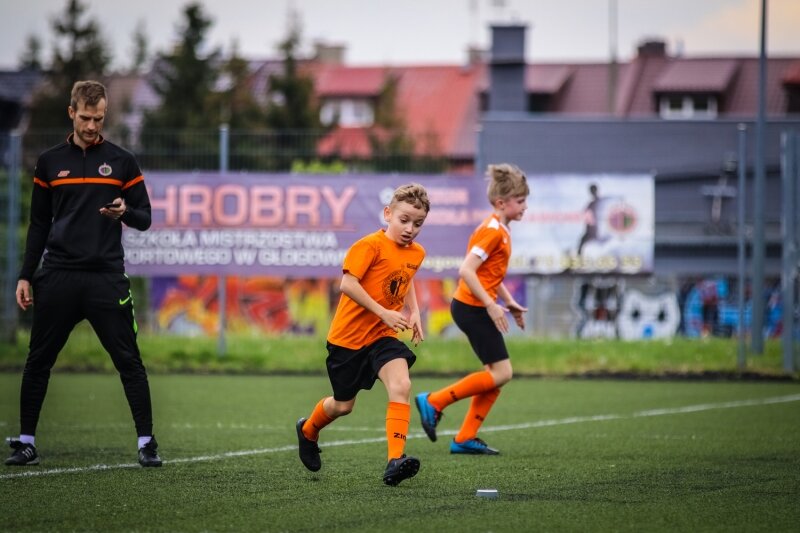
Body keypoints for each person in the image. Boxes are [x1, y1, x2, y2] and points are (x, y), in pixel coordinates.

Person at [5, 80, 162, 467]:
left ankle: (147, 443)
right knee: (38, 361)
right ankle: (27, 442)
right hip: (58, 275)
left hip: (106, 278)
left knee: (129, 362)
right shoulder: (49, 162)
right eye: (86, 118)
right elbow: (38, 224)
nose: (92, 126)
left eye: (99, 118)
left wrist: (125, 212)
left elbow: (145, 218)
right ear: (71, 113)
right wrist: (25, 275)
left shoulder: (122, 161)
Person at [296, 184, 429, 486]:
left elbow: (406, 278)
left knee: (401, 384)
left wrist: (414, 312)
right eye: (404, 220)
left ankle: (395, 461)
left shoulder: (417, 252)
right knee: (343, 406)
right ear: (388, 214)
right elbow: (347, 284)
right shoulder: (369, 246)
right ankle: (308, 430)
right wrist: (383, 311)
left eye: (418, 223)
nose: (410, 229)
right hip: (348, 340)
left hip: (382, 336)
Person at [415, 163, 529, 455]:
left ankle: (465, 436)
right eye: (520, 201)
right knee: (502, 372)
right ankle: (435, 401)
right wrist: (491, 305)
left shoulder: (500, 229)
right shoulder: (493, 231)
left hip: (474, 307)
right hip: (472, 308)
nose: (524, 206)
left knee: (495, 373)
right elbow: (467, 270)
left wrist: (507, 302)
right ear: (501, 203)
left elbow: (488, 275)